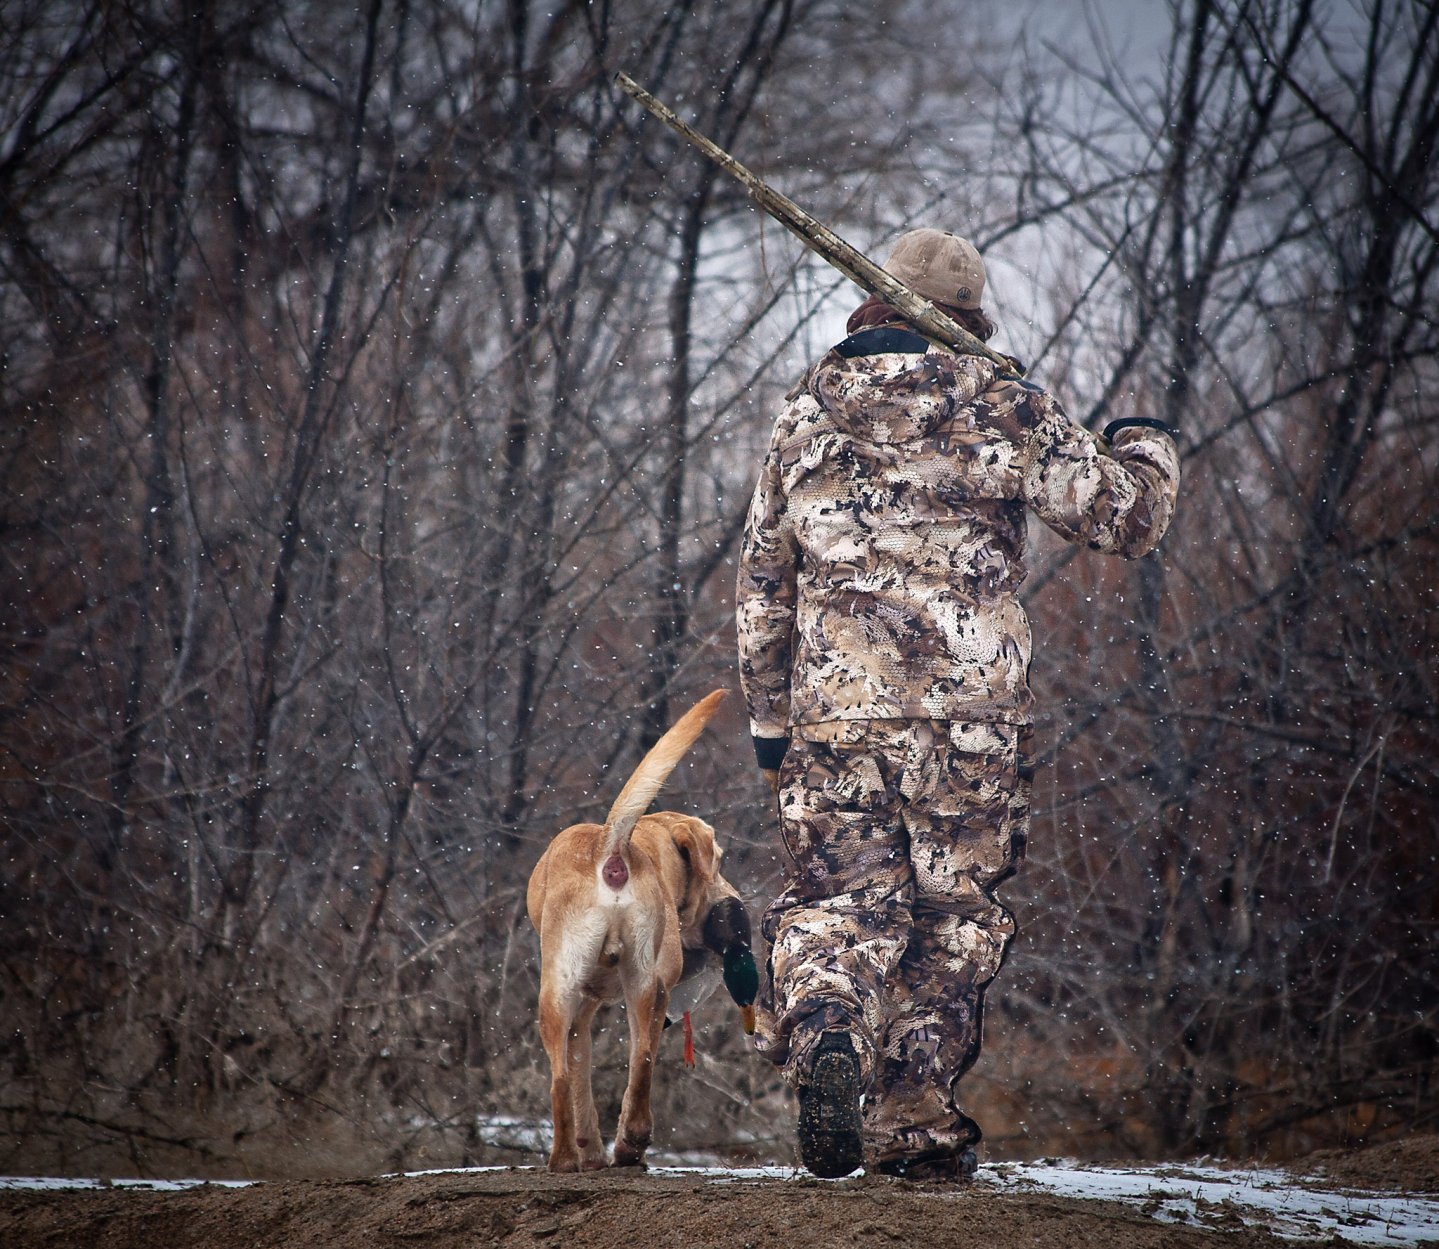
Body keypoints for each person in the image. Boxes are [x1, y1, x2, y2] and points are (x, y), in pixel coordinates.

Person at [735, 228, 1180, 1180]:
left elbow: (763, 585)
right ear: (969, 316)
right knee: (950, 915)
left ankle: (825, 1037)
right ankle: (911, 1114)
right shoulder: (1002, 402)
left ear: (869, 303)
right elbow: (1129, 517)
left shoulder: (804, 415)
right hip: (967, 722)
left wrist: (770, 727)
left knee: (835, 905)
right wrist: (1146, 445)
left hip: (833, 716)